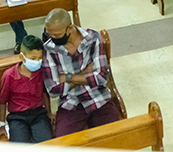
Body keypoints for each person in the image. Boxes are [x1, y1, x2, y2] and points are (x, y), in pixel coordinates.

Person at [43, 8, 121, 137]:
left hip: (98, 98)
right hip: (70, 104)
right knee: (62, 144)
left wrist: (67, 77)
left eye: (57, 35)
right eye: (49, 34)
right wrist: (85, 73)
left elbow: (101, 77)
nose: (52, 38)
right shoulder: (48, 49)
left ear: (70, 28)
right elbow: (53, 89)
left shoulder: (93, 38)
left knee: (114, 138)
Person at [0, 36, 53, 143]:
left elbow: (44, 93)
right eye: (33, 58)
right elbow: (2, 102)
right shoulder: (9, 75)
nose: (37, 61)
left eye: (40, 58)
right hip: (17, 117)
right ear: (22, 57)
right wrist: (1, 125)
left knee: (47, 143)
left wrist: (49, 112)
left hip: (38, 113)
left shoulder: (42, 71)